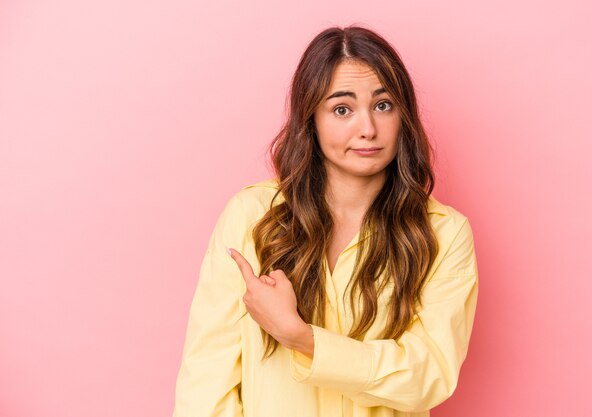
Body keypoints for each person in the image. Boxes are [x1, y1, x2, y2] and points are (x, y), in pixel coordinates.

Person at [172, 25, 479, 417]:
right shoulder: (253, 217)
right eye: (342, 109)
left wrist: (301, 338)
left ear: (404, 114)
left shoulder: (444, 234)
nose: (367, 129)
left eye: (383, 105)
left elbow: (429, 375)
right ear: (311, 119)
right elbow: (206, 381)